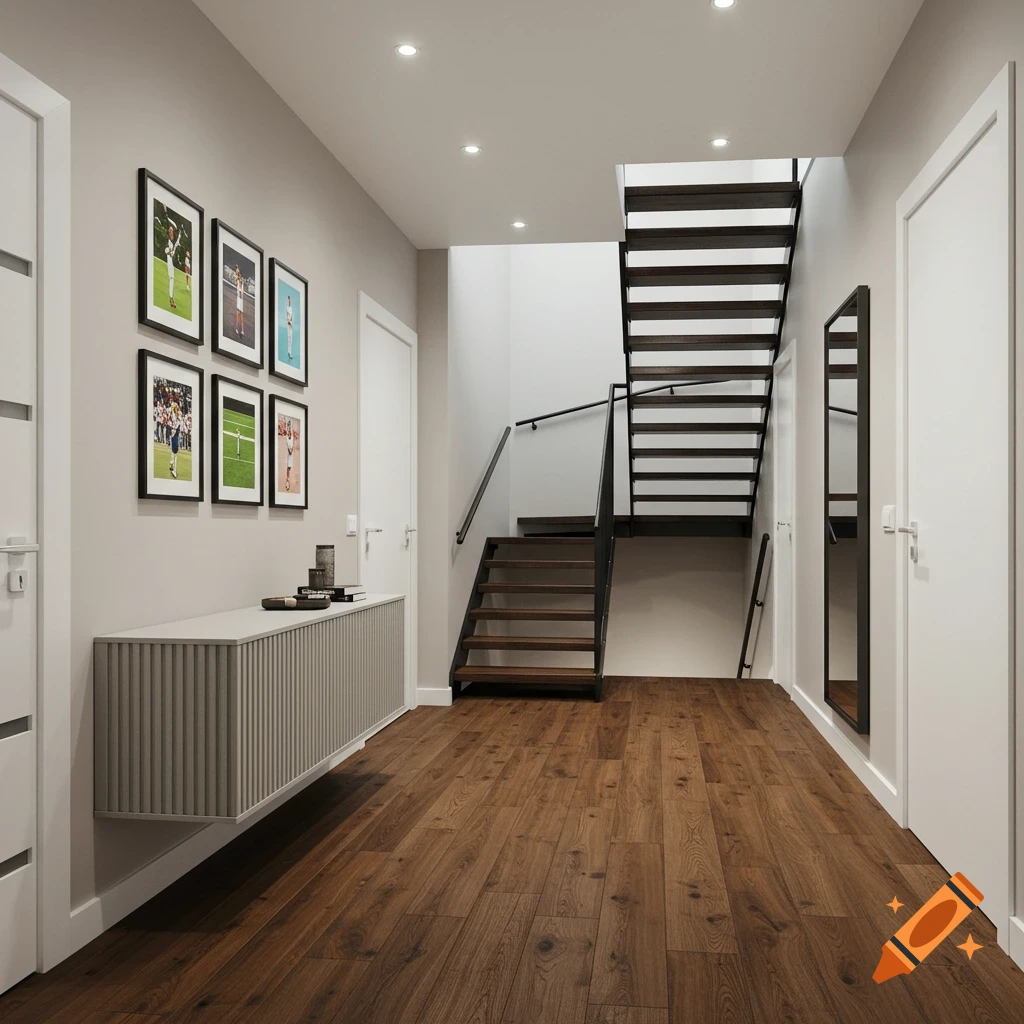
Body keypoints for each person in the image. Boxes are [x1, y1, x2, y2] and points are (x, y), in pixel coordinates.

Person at [164, 217, 182, 310]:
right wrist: (169, 252)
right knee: (171, 278)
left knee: (172, 279)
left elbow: (175, 226)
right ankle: (171, 299)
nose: (170, 232)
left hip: (175, 261)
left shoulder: (176, 239)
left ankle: (171, 298)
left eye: (171, 230)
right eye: (169, 231)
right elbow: (167, 250)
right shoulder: (168, 242)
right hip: (170, 262)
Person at [169, 402, 182, 479]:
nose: (178, 408)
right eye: (176, 407)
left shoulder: (178, 415)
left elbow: (179, 421)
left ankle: (172, 463)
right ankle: (174, 470)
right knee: (175, 452)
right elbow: (175, 423)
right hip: (174, 433)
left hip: (176, 433)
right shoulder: (173, 415)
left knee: (175, 452)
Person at [285, 419, 294, 491]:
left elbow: (291, 431)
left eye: (290, 434)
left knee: (289, 468)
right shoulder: (287, 439)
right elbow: (288, 448)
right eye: (289, 434)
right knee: (288, 468)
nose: (289, 434)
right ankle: (287, 479)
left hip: (291, 455)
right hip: (289, 455)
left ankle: (287, 479)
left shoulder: (291, 438)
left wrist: (290, 426)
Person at [235, 266, 244, 337]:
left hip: (241, 300)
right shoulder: (237, 282)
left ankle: (242, 330)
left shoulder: (241, 283)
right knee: (238, 314)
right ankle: (237, 329)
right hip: (238, 299)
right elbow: (237, 280)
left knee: (241, 316)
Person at [286, 295, 294, 361]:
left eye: (290, 300)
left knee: (291, 340)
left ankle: (289, 353)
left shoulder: (290, 308)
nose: (289, 301)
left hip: (291, 326)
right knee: (289, 339)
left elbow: (291, 317)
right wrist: (290, 323)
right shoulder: (288, 309)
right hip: (289, 326)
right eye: (288, 300)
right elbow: (288, 318)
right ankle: (289, 353)